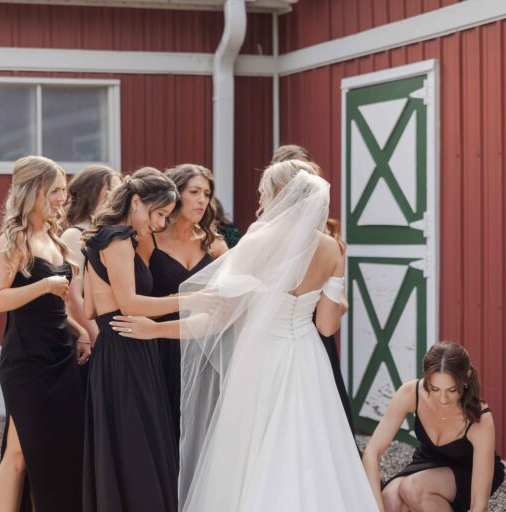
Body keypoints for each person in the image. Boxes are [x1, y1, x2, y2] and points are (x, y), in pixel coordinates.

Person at [111, 160, 377, 511]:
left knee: (253, 453)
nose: (262, 201)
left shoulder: (259, 241)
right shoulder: (332, 249)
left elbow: (217, 318)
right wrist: (335, 303)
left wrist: (155, 329)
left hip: (264, 358)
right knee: (312, 447)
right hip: (308, 359)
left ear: (282, 194)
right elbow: (326, 326)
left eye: (265, 192)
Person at [0, 155, 89, 512]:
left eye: (63, 189)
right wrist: (44, 284)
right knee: (20, 453)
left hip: (61, 356)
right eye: (56, 190)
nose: (63, 197)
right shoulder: (13, 240)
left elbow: (54, 309)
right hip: (26, 361)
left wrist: (81, 333)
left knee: (55, 453)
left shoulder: (53, 237)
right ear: (34, 191)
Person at [80, 167, 181, 512]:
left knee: (122, 443)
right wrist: (191, 300)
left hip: (113, 347)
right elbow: (130, 303)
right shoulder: (120, 239)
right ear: (137, 202)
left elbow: (91, 307)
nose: (160, 225)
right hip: (128, 347)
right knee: (138, 443)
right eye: (159, 214)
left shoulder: (100, 238)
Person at [136, 164, 228, 442]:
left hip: (203, 344)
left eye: (207, 193)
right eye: (194, 192)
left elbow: (227, 300)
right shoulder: (149, 240)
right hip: (158, 342)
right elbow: (136, 293)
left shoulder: (215, 245)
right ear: (176, 194)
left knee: (201, 426)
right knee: (162, 426)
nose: (202, 200)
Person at [362, 342, 504, 512]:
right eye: (435, 389)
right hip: (429, 461)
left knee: (413, 489)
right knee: (389, 501)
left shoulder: (479, 418)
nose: (443, 399)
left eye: (452, 390)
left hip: (469, 470)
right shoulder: (411, 393)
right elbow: (371, 453)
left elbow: (479, 506)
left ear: (466, 377)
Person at [271, 143, 354, 432]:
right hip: (286, 326)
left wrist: (336, 303)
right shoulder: (267, 232)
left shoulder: (329, 232)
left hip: (315, 328)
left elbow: (333, 305)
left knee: (321, 407)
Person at [60, 165, 122, 397]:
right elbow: (73, 297)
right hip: (91, 338)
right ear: (93, 192)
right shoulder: (75, 235)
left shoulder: (113, 233)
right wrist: (98, 341)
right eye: (112, 190)